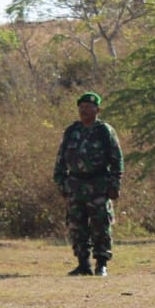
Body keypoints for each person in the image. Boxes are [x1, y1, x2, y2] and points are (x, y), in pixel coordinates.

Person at [53, 91, 123, 276]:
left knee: (101, 225)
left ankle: (102, 263)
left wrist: (114, 184)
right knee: (77, 226)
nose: (84, 111)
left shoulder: (104, 131)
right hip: (75, 184)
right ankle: (83, 263)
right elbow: (61, 159)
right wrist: (61, 182)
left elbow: (117, 160)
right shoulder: (72, 131)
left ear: (97, 109)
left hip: (98, 184)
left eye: (88, 107)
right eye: (81, 107)